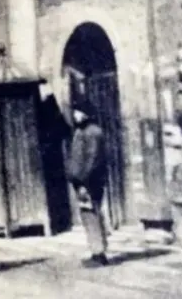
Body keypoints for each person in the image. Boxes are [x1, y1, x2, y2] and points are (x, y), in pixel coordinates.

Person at [66, 100, 109, 267]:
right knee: (89, 214)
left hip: (89, 182)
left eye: (78, 111)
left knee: (91, 215)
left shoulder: (92, 132)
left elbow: (92, 158)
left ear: (86, 113)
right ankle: (97, 250)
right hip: (83, 181)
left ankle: (99, 253)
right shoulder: (82, 131)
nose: (75, 115)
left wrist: (83, 179)